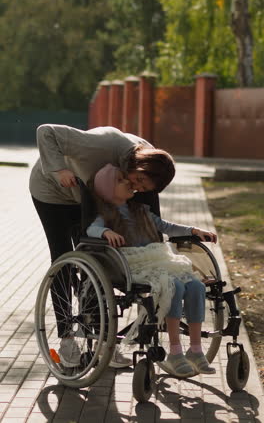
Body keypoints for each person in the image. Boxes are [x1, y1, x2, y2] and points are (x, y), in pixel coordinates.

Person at [29, 124, 175, 367]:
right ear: (137, 164)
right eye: (137, 180)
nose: (136, 187)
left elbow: (150, 221)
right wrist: (59, 170)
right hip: (55, 192)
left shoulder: (150, 171)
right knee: (63, 258)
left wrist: (156, 262)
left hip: (90, 196)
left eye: (142, 187)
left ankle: (103, 341)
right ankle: (67, 339)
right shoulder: (101, 144)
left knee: (99, 260)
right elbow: (46, 132)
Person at [86, 163, 218, 377]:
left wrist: (193, 230)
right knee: (172, 286)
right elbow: (91, 229)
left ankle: (195, 350)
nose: (129, 182)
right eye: (121, 181)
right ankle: (175, 352)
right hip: (133, 264)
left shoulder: (141, 210)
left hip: (159, 259)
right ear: (108, 190)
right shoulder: (105, 214)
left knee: (195, 286)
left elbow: (165, 227)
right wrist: (104, 232)